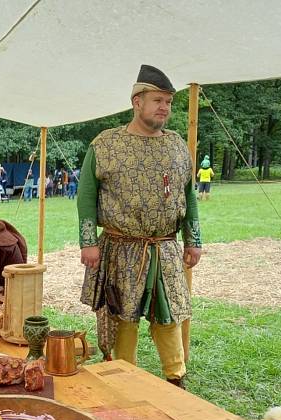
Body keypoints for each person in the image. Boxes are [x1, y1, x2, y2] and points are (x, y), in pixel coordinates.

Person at [77, 64, 202, 388]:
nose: (165, 108)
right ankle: (123, 380)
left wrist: (194, 239)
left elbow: (189, 196)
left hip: (164, 246)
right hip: (122, 247)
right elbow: (86, 196)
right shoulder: (105, 145)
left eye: (169, 102)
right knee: (124, 314)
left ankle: (177, 379)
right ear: (137, 101)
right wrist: (88, 242)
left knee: (169, 313)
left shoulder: (176, 145)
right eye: (158, 100)